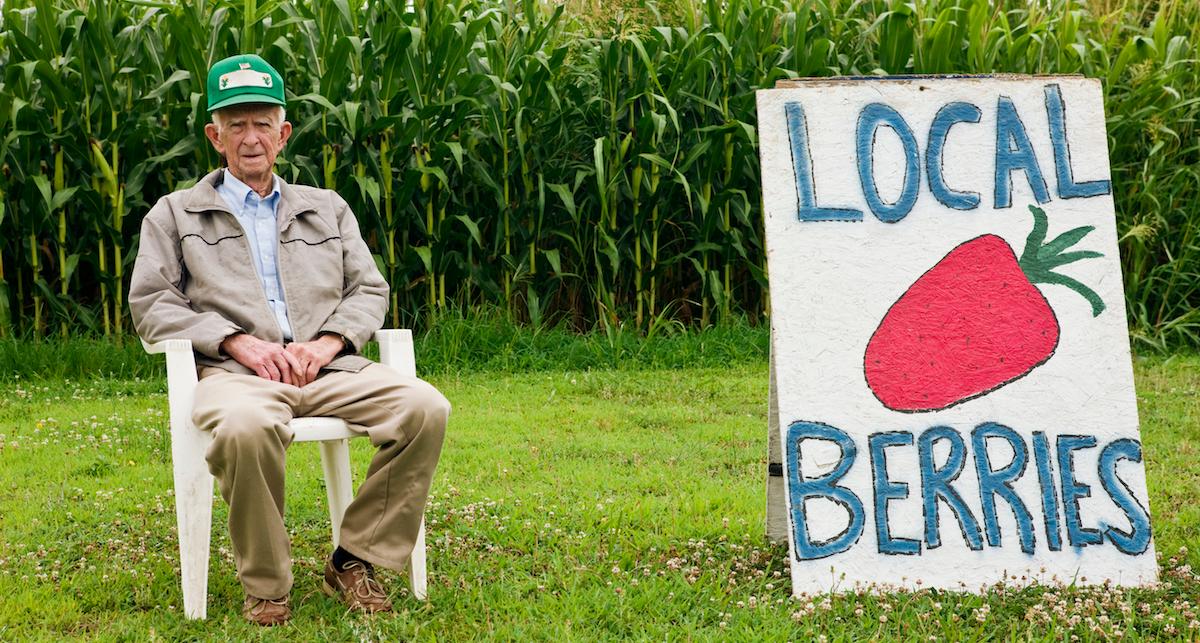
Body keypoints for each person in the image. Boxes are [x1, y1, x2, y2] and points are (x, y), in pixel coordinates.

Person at [129, 54, 449, 626]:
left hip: (330, 371)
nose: (251, 138)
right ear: (215, 136)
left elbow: (369, 291)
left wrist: (328, 343)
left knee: (425, 408)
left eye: (262, 124)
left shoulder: (326, 208)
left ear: (284, 134)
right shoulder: (174, 215)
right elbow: (151, 305)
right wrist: (234, 343)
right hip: (236, 378)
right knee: (245, 429)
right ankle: (269, 585)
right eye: (236, 124)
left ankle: (354, 559)